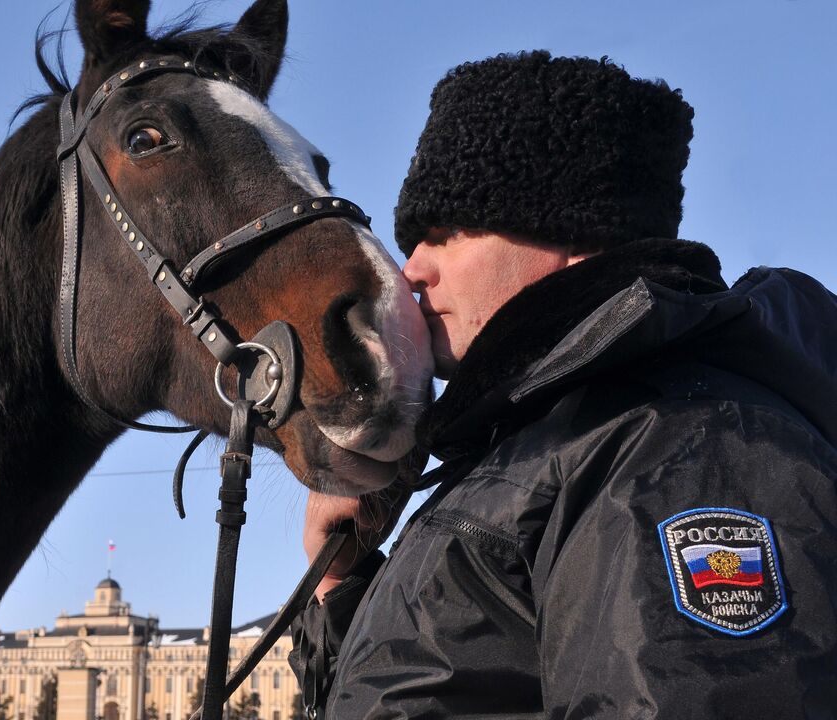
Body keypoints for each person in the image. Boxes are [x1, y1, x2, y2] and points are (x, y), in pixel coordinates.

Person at [291, 50, 837, 719]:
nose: (411, 272)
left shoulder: (675, 444)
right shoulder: (545, 443)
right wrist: (340, 582)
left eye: (445, 234)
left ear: (573, 234)